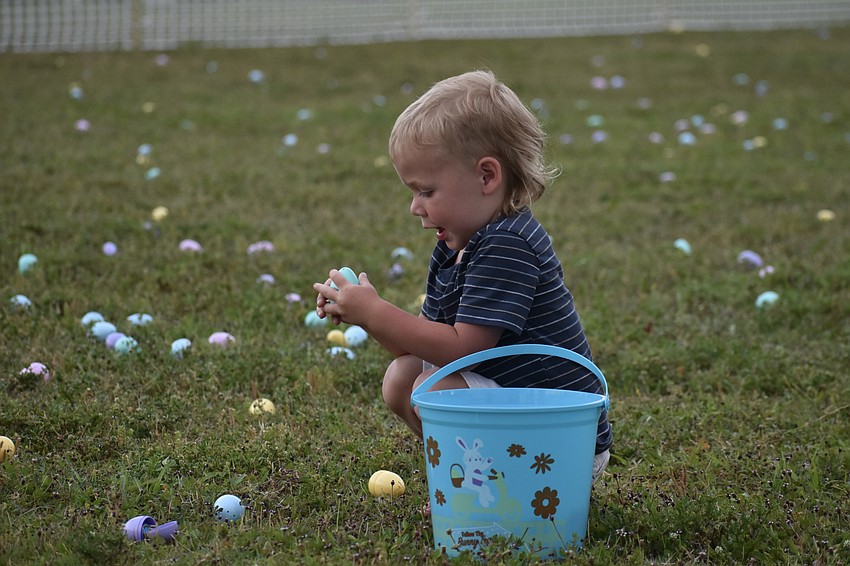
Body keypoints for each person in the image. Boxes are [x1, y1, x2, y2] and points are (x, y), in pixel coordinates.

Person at [313, 70, 611, 483]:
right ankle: (470, 481)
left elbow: (462, 350)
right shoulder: (456, 248)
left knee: (435, 391)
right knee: (403, 378)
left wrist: (378, 312)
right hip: (519, 415)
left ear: (486, 176)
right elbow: (422, 348)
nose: (414, 207)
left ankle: (493, 488)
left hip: (562, 438)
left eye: (426, 191)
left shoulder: (508, 243)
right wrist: (364, 314)